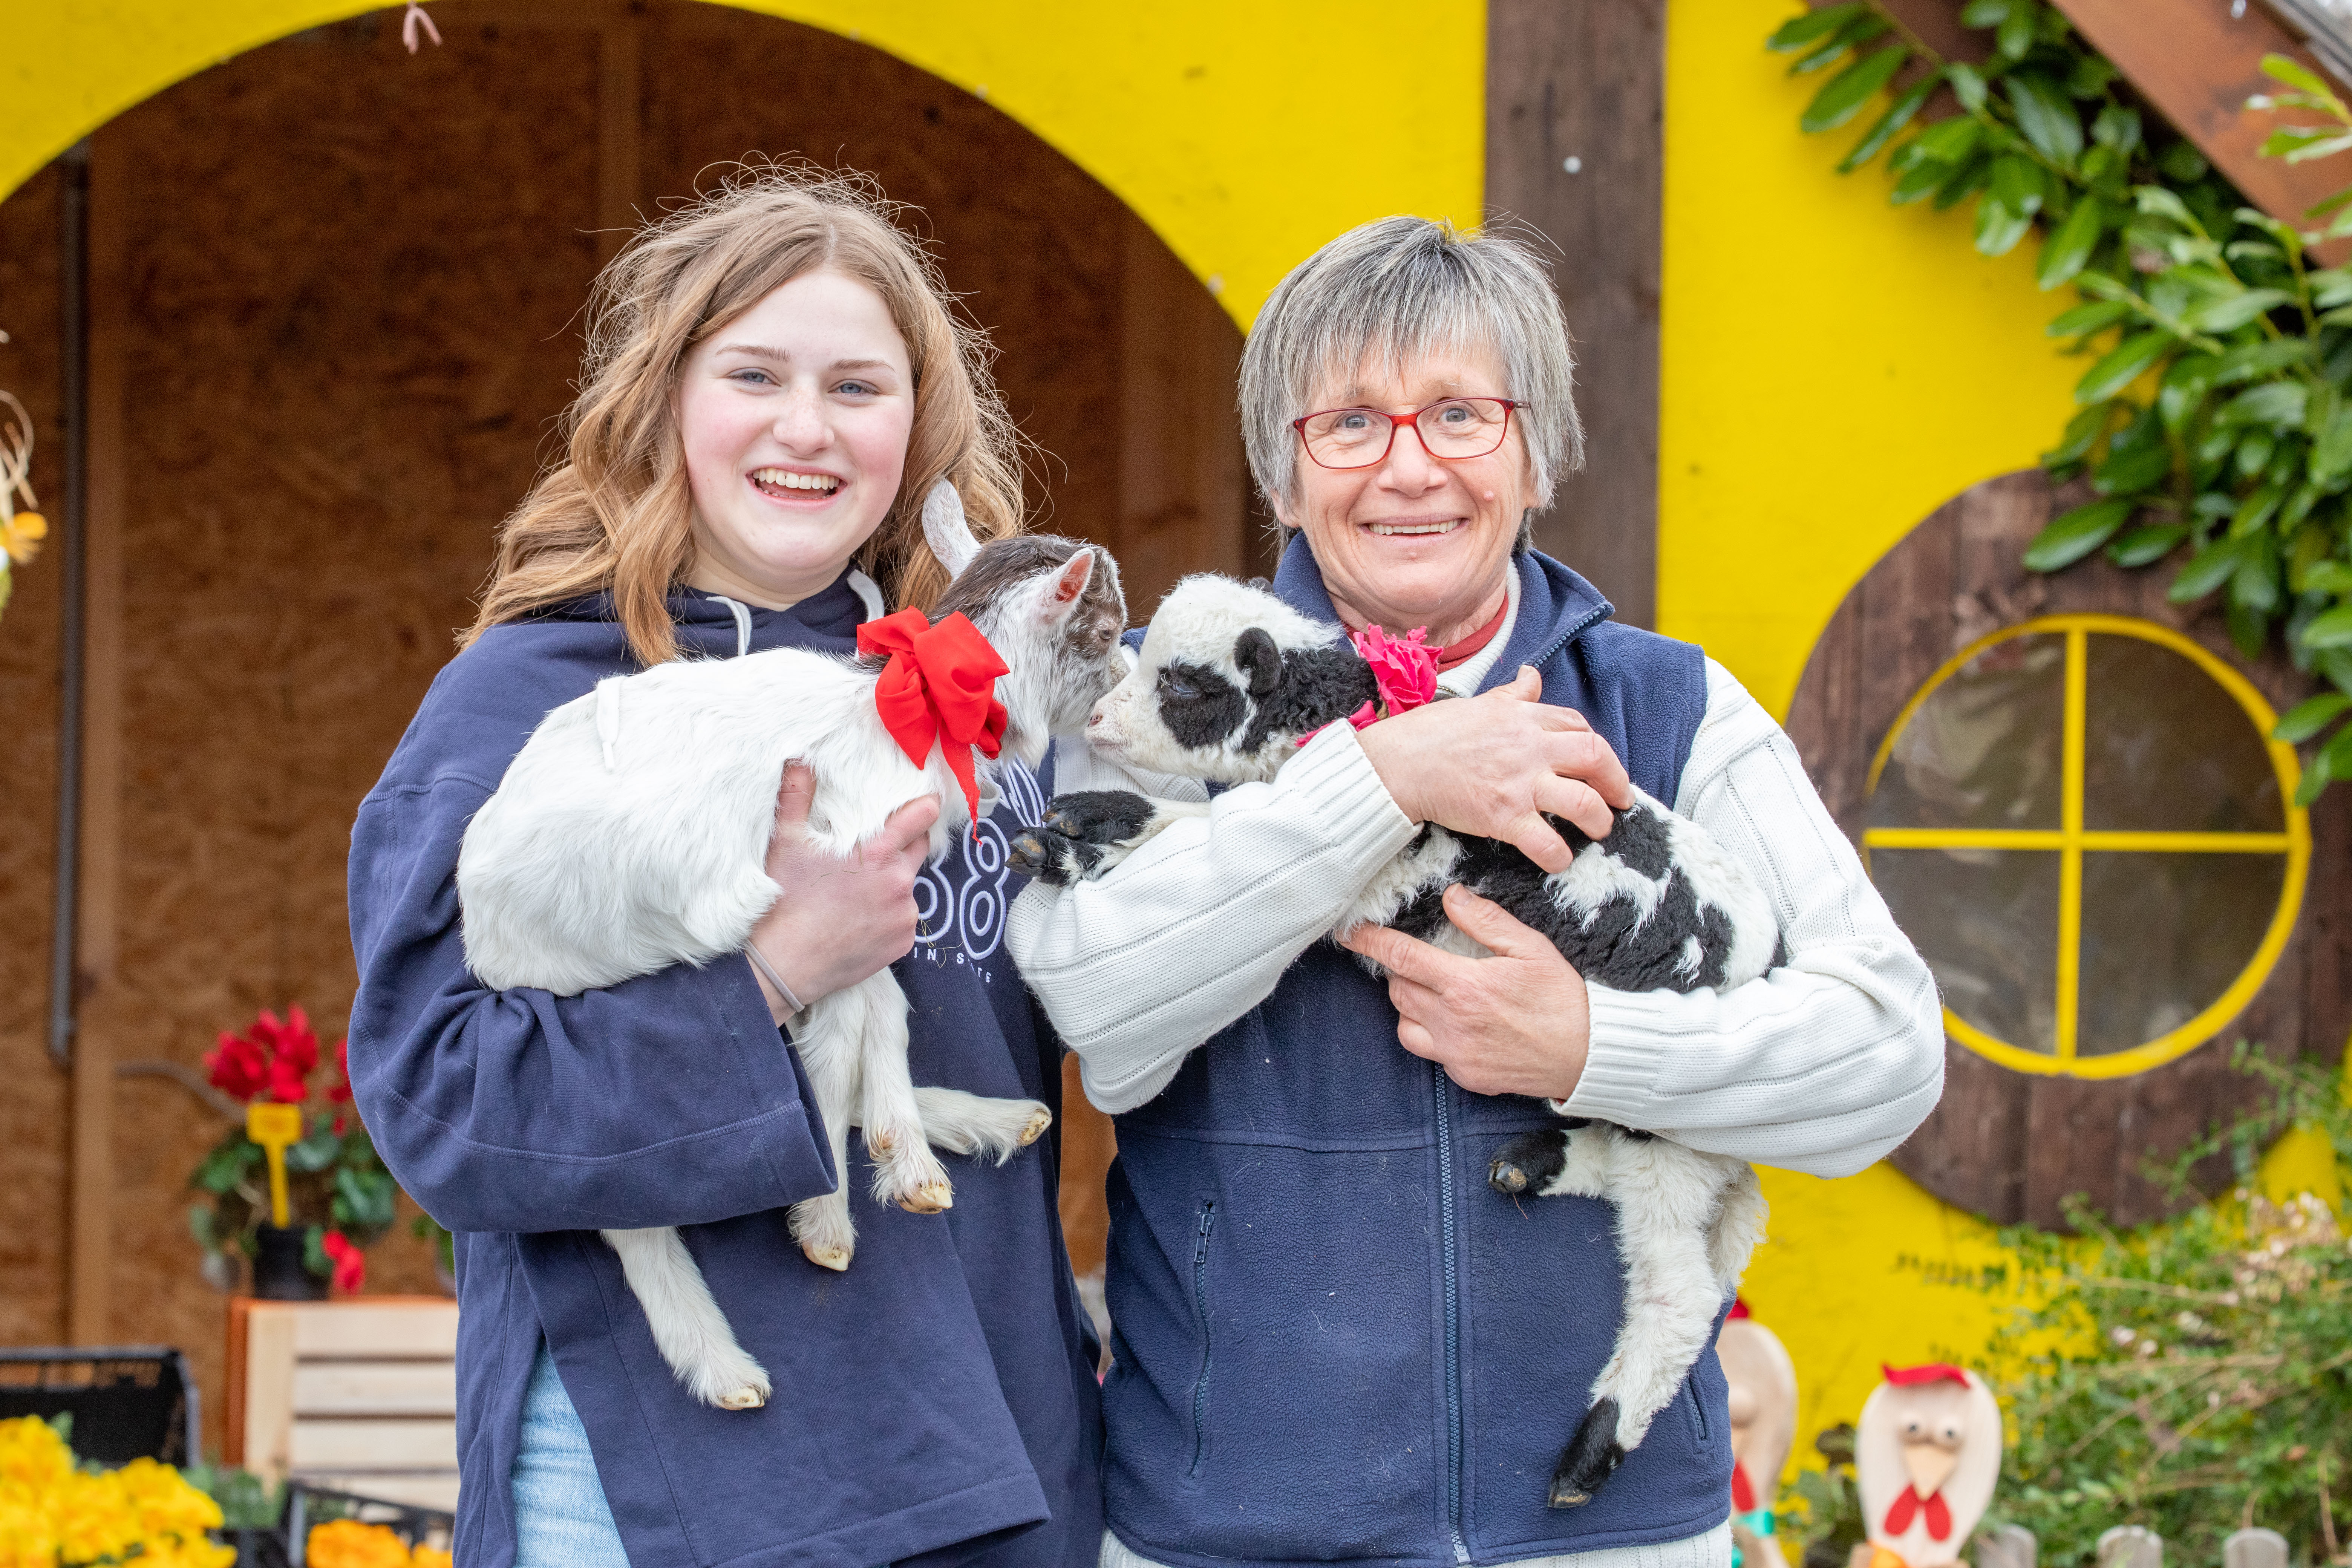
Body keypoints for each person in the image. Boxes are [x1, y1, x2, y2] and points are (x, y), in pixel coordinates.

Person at [1008, 216, 1943, 1568]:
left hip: (1610, 1539)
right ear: (1284, 472)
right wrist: (1384, 781)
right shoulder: (1164, 702)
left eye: (1460, 413)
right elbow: (1101, 1017)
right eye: (1350, 423)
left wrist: (1594, 1048)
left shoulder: (1669, 707)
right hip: (1232, 1530)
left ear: (1536, 452)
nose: (1410, 467)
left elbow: (1888, 1060)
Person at [348, 170, 1102, 1568]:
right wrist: (767, 980)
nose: (805, 427)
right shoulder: (527, 702)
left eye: (857, 387)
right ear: (667, 405)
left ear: (917, 430)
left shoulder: (971, 714)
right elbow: (440, 1101)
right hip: (673, 1482)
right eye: (753, 373)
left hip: (986, 1451)